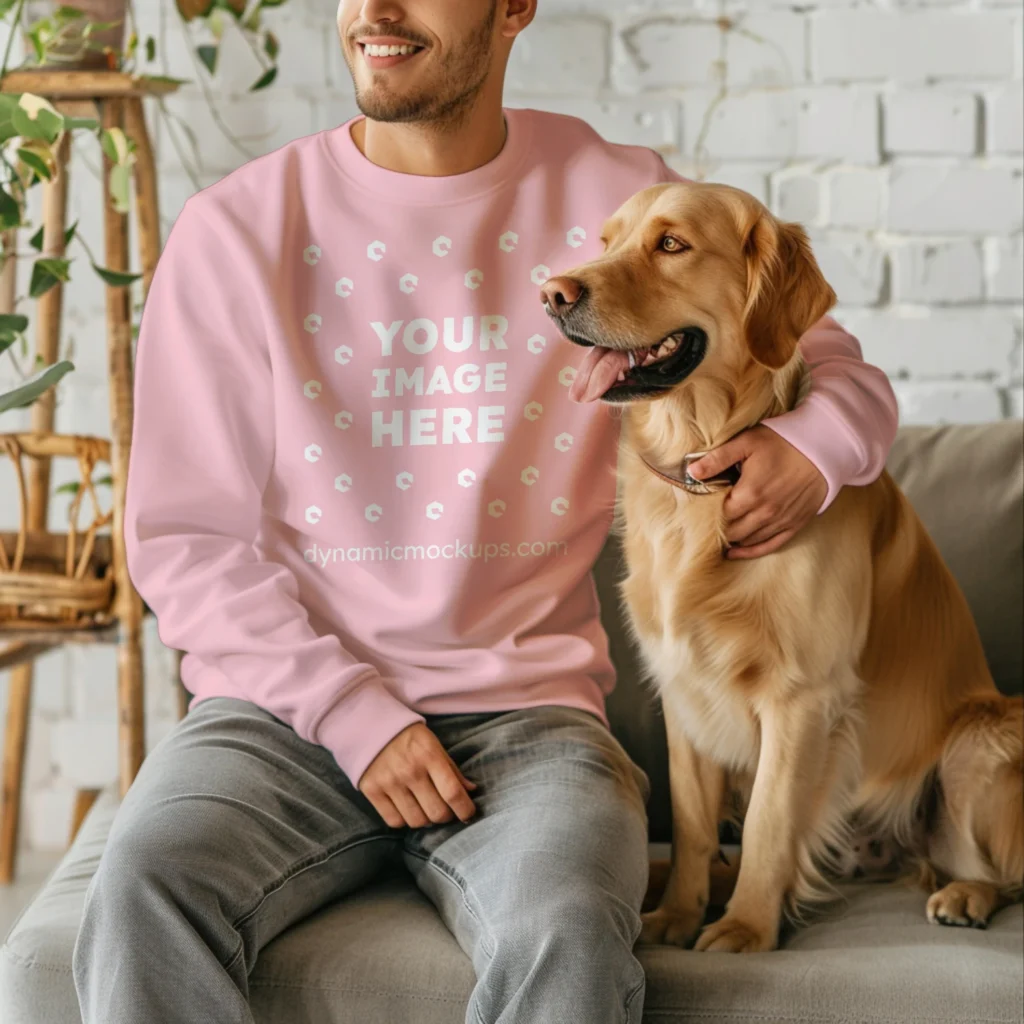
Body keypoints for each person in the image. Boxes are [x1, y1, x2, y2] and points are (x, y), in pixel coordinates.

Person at [71, 2, 899, 1021]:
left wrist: (811, 450)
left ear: (513, 9)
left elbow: (830, 361)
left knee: (566, 929)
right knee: (140, 890)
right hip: (277, 716)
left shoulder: (611, 195)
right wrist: (352, 715)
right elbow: (184, 541)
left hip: (532, 722)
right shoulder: (237, 229)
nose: (375, 10)